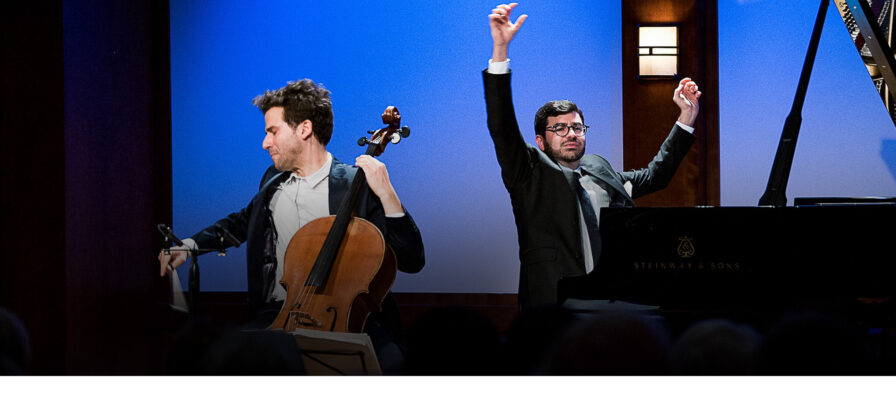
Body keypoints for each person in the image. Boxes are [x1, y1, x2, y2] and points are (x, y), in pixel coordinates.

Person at [158, 79, 425, 371]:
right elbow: (241, 221)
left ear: (304, 129)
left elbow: (411, 259)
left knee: (392, 365)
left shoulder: (355, 184)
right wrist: (189, 246)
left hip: (347, 316)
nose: (265, 143)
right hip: (277, 314)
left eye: (272, 131)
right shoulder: (272, 181)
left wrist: (386, 193)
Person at [484, 3, 701, 308]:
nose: (571, 134)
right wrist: (500, 51)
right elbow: (502, 127)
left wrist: (686, 118)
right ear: (540, 141)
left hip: (612, 301)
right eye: (559, 128)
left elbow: (656, 175)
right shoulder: (529, 174)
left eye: (577, 127)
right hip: (554, 304)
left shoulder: (598, 170)